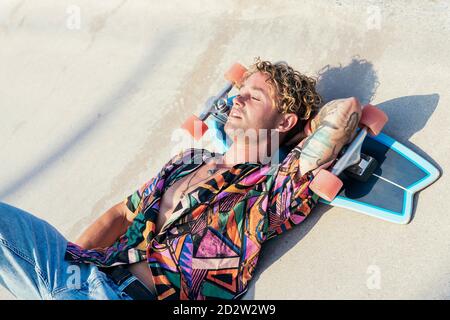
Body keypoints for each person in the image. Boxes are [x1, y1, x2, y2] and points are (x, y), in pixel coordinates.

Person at [0, 58, 361, 300]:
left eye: (254, 96)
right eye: (239, 92)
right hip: (74, 274)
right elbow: (122, 214)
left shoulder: (268, 190)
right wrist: (74, 266)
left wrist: (300, 132)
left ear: (285, 122)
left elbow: (345, 111)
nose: (238, 99)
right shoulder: (188, 160)